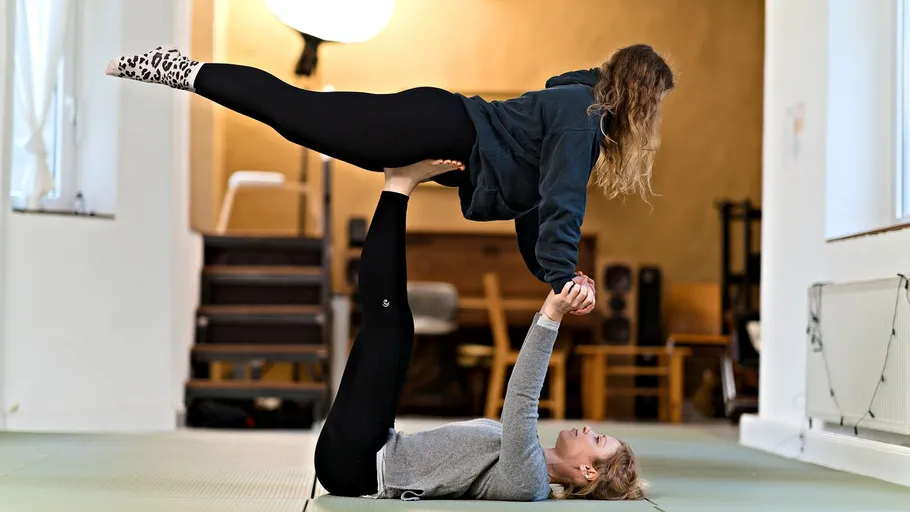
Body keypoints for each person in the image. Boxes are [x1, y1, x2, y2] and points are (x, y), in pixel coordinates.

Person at [105, 44, 675, 294]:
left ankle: (186, 70)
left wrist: (552, 275)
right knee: (301, 114)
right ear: (637, 94)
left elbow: (536, 209)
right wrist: (562, 274)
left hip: (434, 125)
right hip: (434, 124)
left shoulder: (578, 120)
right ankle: (182, 69)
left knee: (302, 119)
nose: (651, 123)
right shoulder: (582, 115)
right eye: (655, 107)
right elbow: (562, 203)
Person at [307, 159, 646, 502]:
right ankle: (397, 186)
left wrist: (552, 313)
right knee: (397, 326)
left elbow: (522, 399)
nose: (590, 429)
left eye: (598, 440)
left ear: (588, 471)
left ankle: (397, 187)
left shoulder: (529, 480)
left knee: (388, 327)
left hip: (358, 464)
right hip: (373, 446)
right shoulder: (528, 458)